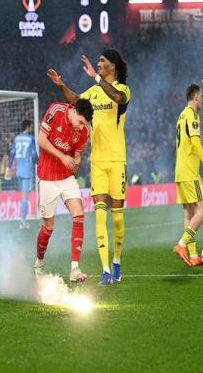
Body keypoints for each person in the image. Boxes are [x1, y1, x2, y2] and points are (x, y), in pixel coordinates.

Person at [47, 48, 130, 285]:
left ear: (112, 66)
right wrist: (61, 85)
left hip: (117, 161)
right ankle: (105, 271)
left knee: (117, 219)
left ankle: (116, 261)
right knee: (100, 215)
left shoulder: (123, 89)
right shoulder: (93, 92)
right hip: (98, 162)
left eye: (102, 61)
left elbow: (117, 98)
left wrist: (96, 77)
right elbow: (75, 101)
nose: (98, 63)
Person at [33, 99, 93, 283]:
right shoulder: (56, 110)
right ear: (74, 112)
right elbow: (41, 140)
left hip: (66, 177)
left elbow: (77, 154)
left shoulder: (84, 131)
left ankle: (75, 269)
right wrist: (62, 156)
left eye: (84, 124)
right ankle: (39, 263)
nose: (81, 127)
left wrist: (75, 164)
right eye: (80, 122)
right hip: (47, 177)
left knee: (79, 215)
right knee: (48, 227)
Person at [173, 83, 203, 266]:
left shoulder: (181, 115)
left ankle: (193, 256)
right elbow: (196, 144)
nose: (202, 100)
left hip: (180, 171)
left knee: (189, 213)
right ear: (196, 97)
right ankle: (181, 244)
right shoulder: (192, 115)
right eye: (201, 97)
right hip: (190, 172)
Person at [5, 120, 38, 229]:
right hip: (27, 171)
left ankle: (23, 220)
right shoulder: (30, 138)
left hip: (19, 171)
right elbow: (34, 155)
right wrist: (39, 165)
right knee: (25, 198)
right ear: (27, 127)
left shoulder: (17, 138)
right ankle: (23, 221)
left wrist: (8, 168)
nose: (32, 128)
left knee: (24, 196)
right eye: (31, 127)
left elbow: (12, 154)